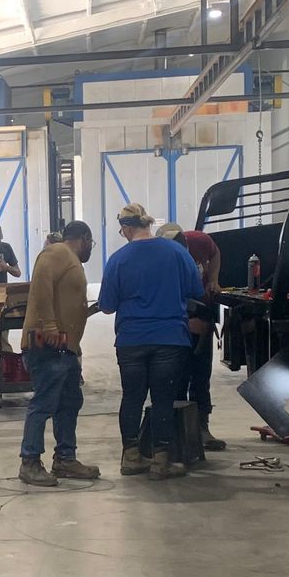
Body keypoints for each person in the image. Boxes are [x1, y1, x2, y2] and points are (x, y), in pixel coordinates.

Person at [97, 201, 203, 480]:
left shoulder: (118, 260)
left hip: (131, 340)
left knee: (132, 397)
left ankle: (132, 457)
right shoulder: (177, 252)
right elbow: (196, 289)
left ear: (126, 228)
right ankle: (161, 461)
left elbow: (107, 306)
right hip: (170, 338)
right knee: (163, 399)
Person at [17, 220, 101, 486]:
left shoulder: (70, 260)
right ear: (84, 238)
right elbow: (41, 284)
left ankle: (65, 458)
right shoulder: (57, 252)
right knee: (44, 403)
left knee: (69, 402)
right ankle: (29, 462)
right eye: (91, 243)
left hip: (65, 349)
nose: (91, 248)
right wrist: (50, 324)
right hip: (48, 346)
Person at [179, 228, 228, 453]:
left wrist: (214, 279)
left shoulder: (199, 240)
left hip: (202, 313)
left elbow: (215, 253)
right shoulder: (162, 259)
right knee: (177, 377)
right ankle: (178, 430)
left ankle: (201, 427)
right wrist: (184, 322)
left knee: (201, 375)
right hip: (177, 322)